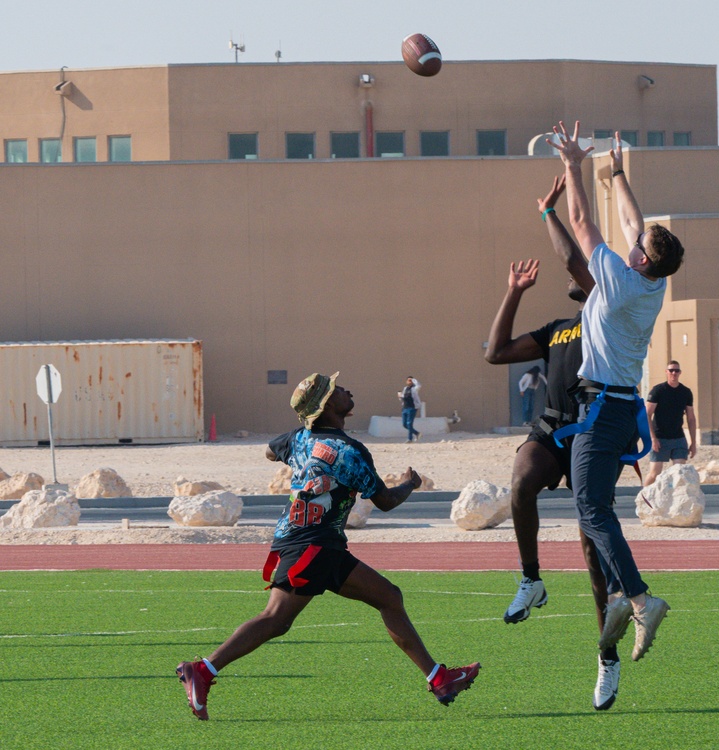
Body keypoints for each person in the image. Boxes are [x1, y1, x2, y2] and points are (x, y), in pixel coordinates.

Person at [176, 372, 480, 720]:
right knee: (277, 618)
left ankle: (439, 678)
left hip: (307, 541)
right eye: (336, 390)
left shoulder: (298, 438)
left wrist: (301, 456)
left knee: (385, 598)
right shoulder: (351, 451)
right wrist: (411, 484)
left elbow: (269, 450)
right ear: (326, 407)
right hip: (314, 546)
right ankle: (202, 670)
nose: (346, 390)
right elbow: (385, 501)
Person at [547, 121, 684, 671]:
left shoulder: (622, 279)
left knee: (588, 507)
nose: (632, 241)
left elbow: (581, 221)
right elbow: (635, 221)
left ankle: (638, 599)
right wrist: (619, 171)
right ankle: (626, 599)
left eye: (638, 246)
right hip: (616, 406)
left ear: (642, 259)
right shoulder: (653, 279)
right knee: (596, 508)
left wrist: (573, 166)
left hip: (602, 409)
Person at [484, 176, 624, 710]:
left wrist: (549, 213)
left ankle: (606, 659)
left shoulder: (607, 318)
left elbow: (572, 262)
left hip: (596, 430)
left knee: (592, 552)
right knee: (520, 482)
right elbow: (495, 353)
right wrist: (514, 292)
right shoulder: (559, 328)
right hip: (552, 427)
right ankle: (531, 579)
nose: (579, 278)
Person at [643, 361, 697, 486]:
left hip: (678, 437)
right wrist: (653, 438)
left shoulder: (685, 392)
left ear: (680, 373)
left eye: (676, 371)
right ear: (666, 372)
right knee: (654, 473)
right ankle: (643, 499)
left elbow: (691, 418)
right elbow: (647, 414)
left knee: (679, 473)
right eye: (671, 370)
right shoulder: (658, 390)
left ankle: (675, 503)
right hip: (659, 437)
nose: (674, 373)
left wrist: (693, 442)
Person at [398, 376, 421, 442]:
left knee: (409, 424)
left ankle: (409, 439)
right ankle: (417, 433)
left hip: (412, 408)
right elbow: (403, 397)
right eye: (408, 380)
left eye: (411, 380)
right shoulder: (405, 388)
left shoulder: (414, 388)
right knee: (404, 424)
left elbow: (419, 385)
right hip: (405, 408)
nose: (409, 381)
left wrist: (414, 380)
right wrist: (400, 396)